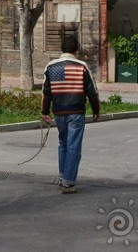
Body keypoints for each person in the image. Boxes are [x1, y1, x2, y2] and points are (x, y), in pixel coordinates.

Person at [41, 34, 100, 194]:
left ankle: (62, 176)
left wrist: (45, 112)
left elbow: (47, 92)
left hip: (59, 112)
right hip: (76, 112)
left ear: (62, 48)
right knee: (74, 146)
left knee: (63, 144)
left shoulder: (51, 67)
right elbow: (92, 92)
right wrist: (96, 110)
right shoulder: (82, 66)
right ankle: (68, 183)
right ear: (76, 49)